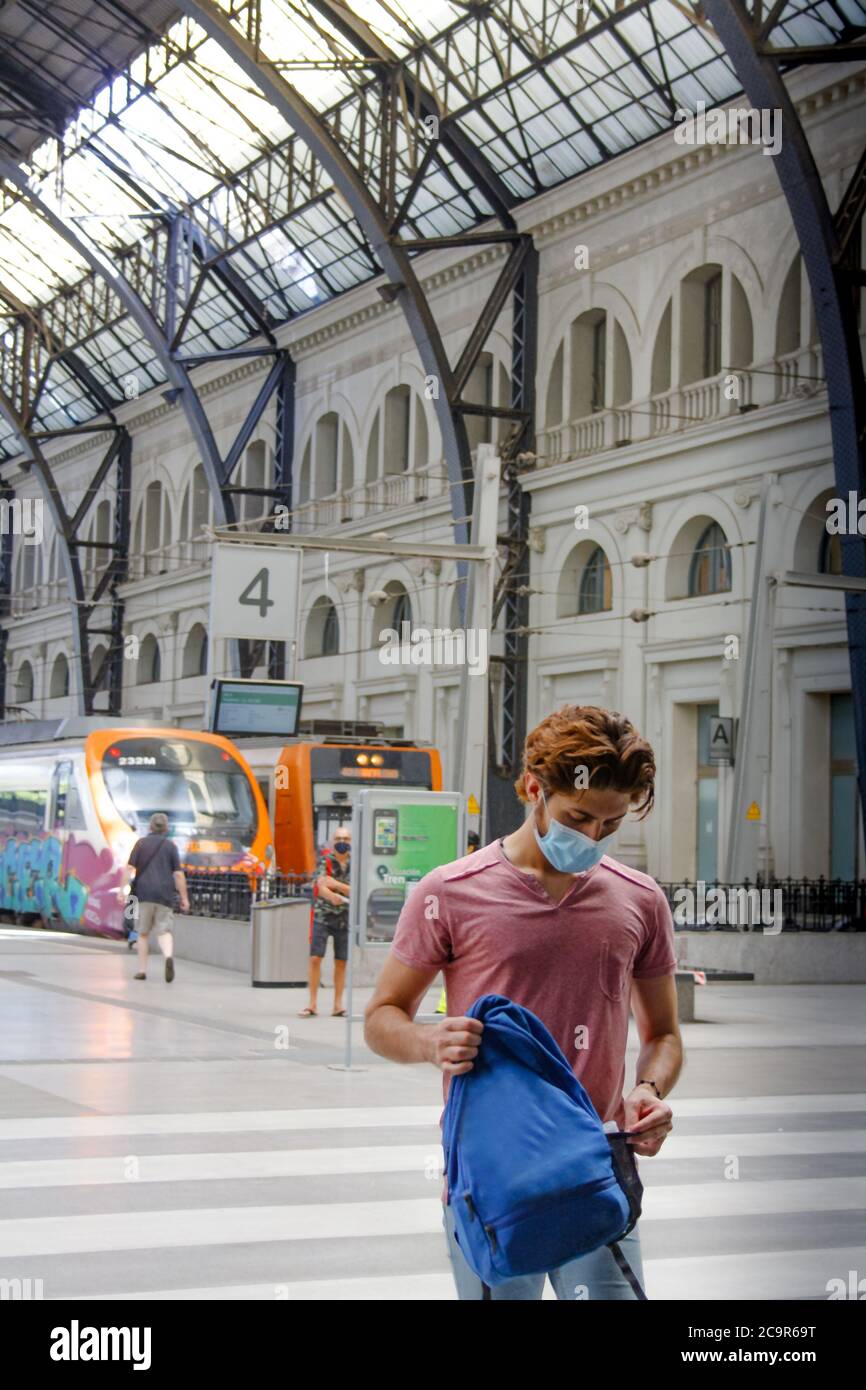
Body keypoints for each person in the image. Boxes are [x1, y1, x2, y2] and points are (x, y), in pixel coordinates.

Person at [364, 705, 683, 1301]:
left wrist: (649, 1092)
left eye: (609, 827)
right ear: (535, 788)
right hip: (492, 1182)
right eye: (579, 816)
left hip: (597, 1173)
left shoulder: (641, 902)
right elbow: (383, 1016)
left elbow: (662, 1033)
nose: (591, 837)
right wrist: (431, 1041)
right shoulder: (448, 893)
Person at [127, 812, 189, 983]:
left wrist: (121, 890)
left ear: (150, 827)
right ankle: (168, 956)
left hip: (144, 893)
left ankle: (142, 970)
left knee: (143, 933)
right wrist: (184, 897)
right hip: (164, 894)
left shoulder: (141, 844)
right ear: (166, 828)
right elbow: (178, 874)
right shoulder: (170, 847)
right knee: (164, 931)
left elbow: (129, 869)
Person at [301, 824, 351, 1018]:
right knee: (315, 958)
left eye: (345, 839)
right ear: (332, 841)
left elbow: (357, 889)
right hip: (323, 914)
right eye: (338, 839)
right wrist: (332, 895)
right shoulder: (325, 861)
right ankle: (312, 1003)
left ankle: (338, 1005)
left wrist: (336, 885)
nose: (342, 843)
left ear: (351, 842)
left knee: (341, 961)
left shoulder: (356, 863)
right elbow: (321, 885)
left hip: (345, 916)